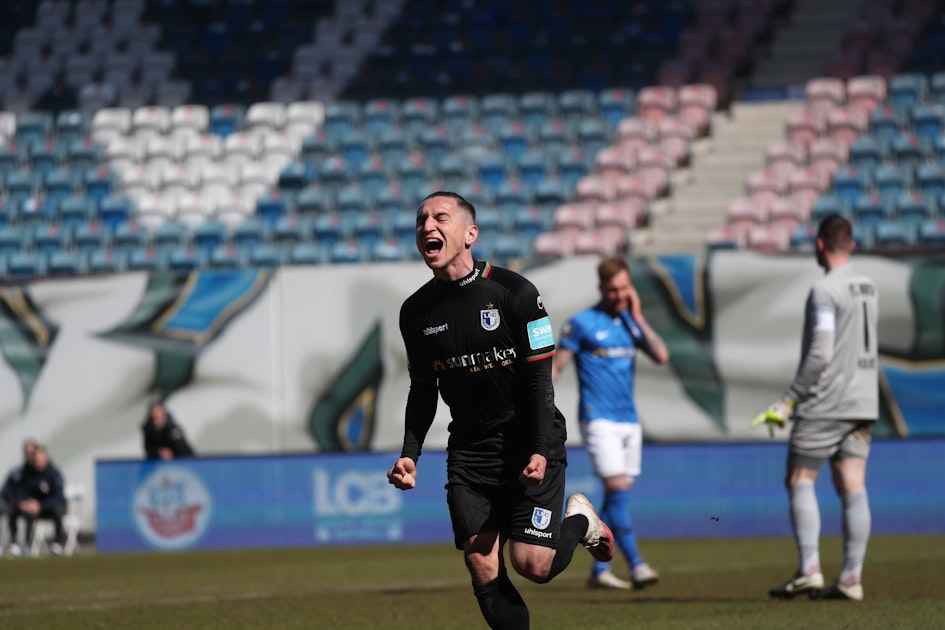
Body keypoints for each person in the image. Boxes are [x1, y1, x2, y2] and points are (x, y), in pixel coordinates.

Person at [388, 191, 614, 629]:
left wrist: (539, 448)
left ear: (470, 233)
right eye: (421, 220)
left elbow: (537, 381)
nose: (427, 226)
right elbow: (422, 391)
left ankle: (582, 521)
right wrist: (409, 454)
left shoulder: (516, 293)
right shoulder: (414, 312)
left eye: (440, 217)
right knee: (481, 561)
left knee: (534, 565)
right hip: (472, 451)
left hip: (529, 439)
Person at [752, 213, 878, 602]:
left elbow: (821, 352)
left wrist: (788, 400)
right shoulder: (868, 285)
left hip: (827, 401)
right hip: (863, 400)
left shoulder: (824, 289)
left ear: (820, 245)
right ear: (852, 244)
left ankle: (809, 570)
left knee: (799, 478)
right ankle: (852, 579)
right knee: (851, 484)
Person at [552, 256, 669, 590]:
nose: (619, 295)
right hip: (598, 417)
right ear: (601, 288)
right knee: (617, 490)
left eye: (624, 288)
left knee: (616, 498)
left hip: (629, 421)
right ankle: (637, 565)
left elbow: (661, 355)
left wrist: (638, 317)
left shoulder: (630, 323)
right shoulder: (583, 323)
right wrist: (540, 401)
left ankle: (599, 571)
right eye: (613, 289)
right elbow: (558, 365)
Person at [4, 444, 68, 556]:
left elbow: (58, 496)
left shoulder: (53, 473)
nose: (38, 461)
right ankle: (19, 545)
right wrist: (24, 502)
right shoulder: (28, 473)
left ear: (45, 458)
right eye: (36, 458)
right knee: (12, 511)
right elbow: (20, 489)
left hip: (48, 507)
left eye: (40, 458)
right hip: (31, 507)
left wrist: (40, 505)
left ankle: (57, 544)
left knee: (58, 511)